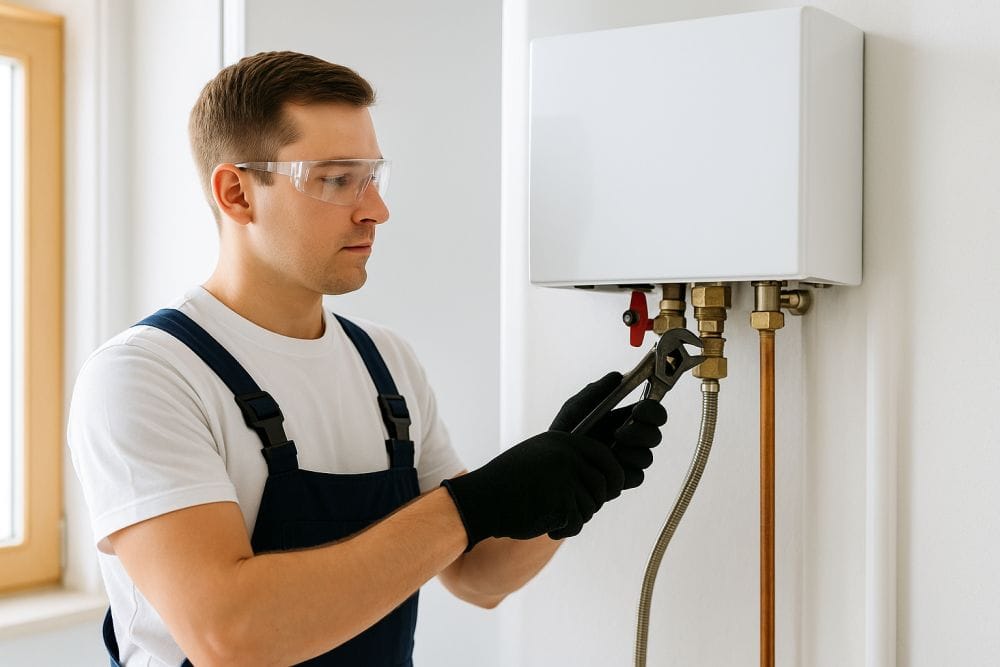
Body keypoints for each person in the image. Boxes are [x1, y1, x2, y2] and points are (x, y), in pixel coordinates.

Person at [67, 51, 668, 667]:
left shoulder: (386, 363)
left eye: (373, 177)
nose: (375, 210)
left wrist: (568, 482)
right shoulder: (146, 377)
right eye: (335, 179)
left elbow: (478, 578)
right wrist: (475, 503)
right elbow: (231, 635)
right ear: (237, 192)